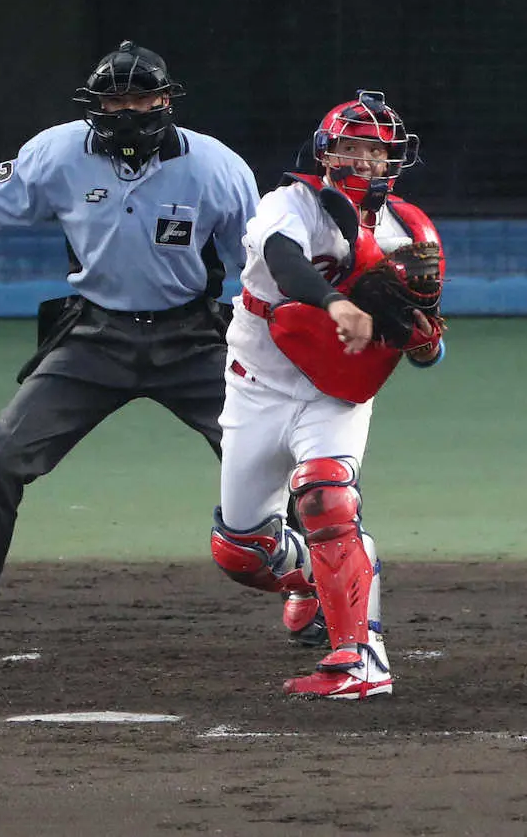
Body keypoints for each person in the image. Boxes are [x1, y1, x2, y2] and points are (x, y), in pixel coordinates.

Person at [0, 40, 261, 654]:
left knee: (283, 459)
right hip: (94, 338)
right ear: (94, 105)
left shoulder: (217, 168)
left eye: (140, 96)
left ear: (166, 100)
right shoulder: (59, 152)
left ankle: (317, 597)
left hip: (194, 341)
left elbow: (262, 269)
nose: (126, 110)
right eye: (113, 98)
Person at [209, 89, 446, 700]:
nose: (364, 158)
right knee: (242, 551)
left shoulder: (408, 232)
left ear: (394, 160)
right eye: (352, 145)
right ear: (326, 151)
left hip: (335, 393)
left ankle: (359, 662)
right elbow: (287, 264)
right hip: (257, 387)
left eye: (377, 149)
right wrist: (337, 301)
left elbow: (422, 339)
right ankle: (312, 581)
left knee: (326, 496)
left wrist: (423, 342)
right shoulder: (287, 204)